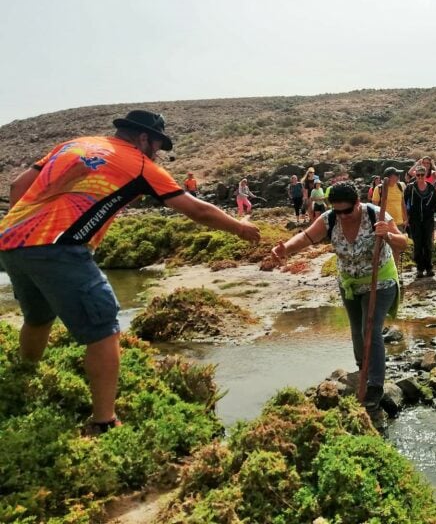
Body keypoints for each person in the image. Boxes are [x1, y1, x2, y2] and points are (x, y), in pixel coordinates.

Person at [0, 110, 261, 434]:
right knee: (104, 325)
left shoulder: (73, 144)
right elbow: (196, 209)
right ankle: (104, 422)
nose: (157, 153)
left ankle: (24, 382)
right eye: (157, 146)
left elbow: (17, 186)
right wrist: (240, 229)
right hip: (59, 246)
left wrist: (22, 232)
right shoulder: (141, 165)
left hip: (10, 240)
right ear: (143, 138)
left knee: (38, 317)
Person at [270, 181, 407, 418]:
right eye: (338, 211)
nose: (342, 216)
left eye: (347, 211)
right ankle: (362, 369)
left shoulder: (376, 214)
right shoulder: (329, 219)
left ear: (357, 203)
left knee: (370, 329)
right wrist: (285, 249)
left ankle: (374, 385)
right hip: (350, 283)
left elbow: (403, 242)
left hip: (380, 281)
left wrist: (389, 236)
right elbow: (305, 237)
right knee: (356, 329)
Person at [404, 165, 436, 278]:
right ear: (415, 175)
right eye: (418, 175)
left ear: (425, 175)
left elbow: (435, 203)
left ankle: (429, 268)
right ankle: (420, 269)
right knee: (418, 244)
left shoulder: (431, 188)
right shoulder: (410, 188)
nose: (420, 177)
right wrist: (406, 218)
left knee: (428, 244)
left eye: (422, 175)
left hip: (428, 220)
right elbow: (404, 204)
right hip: (415, 220)